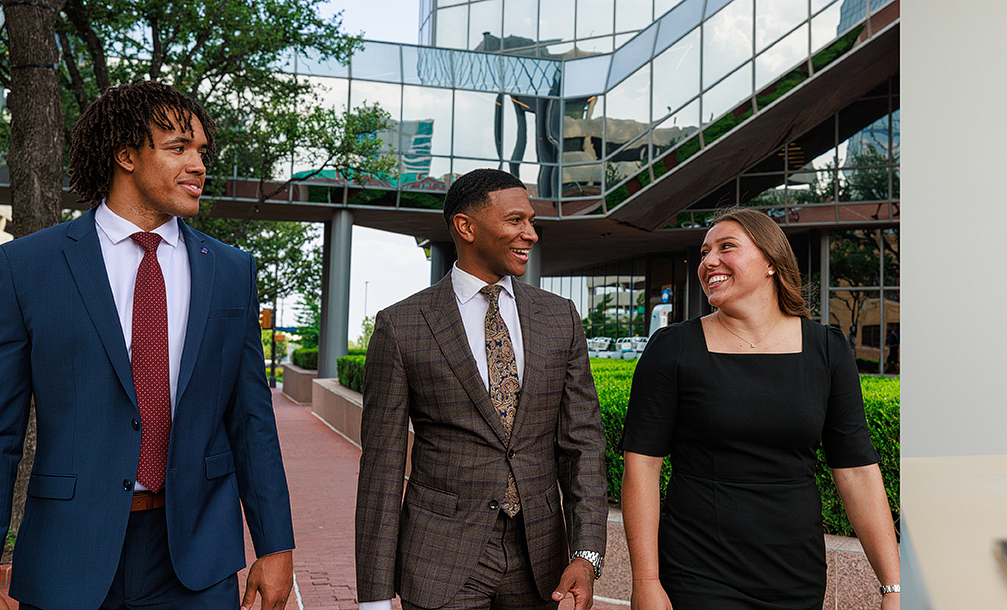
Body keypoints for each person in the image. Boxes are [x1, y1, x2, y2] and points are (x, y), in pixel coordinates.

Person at [0, 80, 295, 609]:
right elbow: (2, 428)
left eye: (202, 151)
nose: (199, 165)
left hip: (196, 555)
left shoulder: (231, 272)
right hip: (67, 552)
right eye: (178, 148)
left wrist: (276, 544)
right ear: (126, 155)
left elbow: (252, 420)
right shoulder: (27, 267)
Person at [622, 209, 901, 609]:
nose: (708, 261)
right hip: (698, 571)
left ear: (771, 261)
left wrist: (893, 587)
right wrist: (646, 582)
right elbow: (642, 468)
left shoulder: (826, 348)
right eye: (704, 252)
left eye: (726, 247)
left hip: (796, 574)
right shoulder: (673, 348)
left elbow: (856, 470)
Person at [355, 169, 608, 610]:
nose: (529, 234)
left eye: (531, 221)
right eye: (515, 221)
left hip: (541, 560)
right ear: (466, 227)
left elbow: (583, 444)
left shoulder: (559, 317)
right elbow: (382, 465)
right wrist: (374, 596)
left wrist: (585, 555)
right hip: (439, 559)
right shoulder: (402, 325)